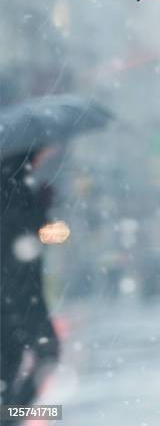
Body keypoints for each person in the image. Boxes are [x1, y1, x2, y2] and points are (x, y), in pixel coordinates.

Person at [1, 149, 60, 414]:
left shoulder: (17, 185)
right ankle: (9, 415)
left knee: (19, 358)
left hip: (19, 291)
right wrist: (43, 209)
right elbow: (32, 236)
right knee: (36, 354)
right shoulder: (15, 187)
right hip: (17, 292)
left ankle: (10, 413)